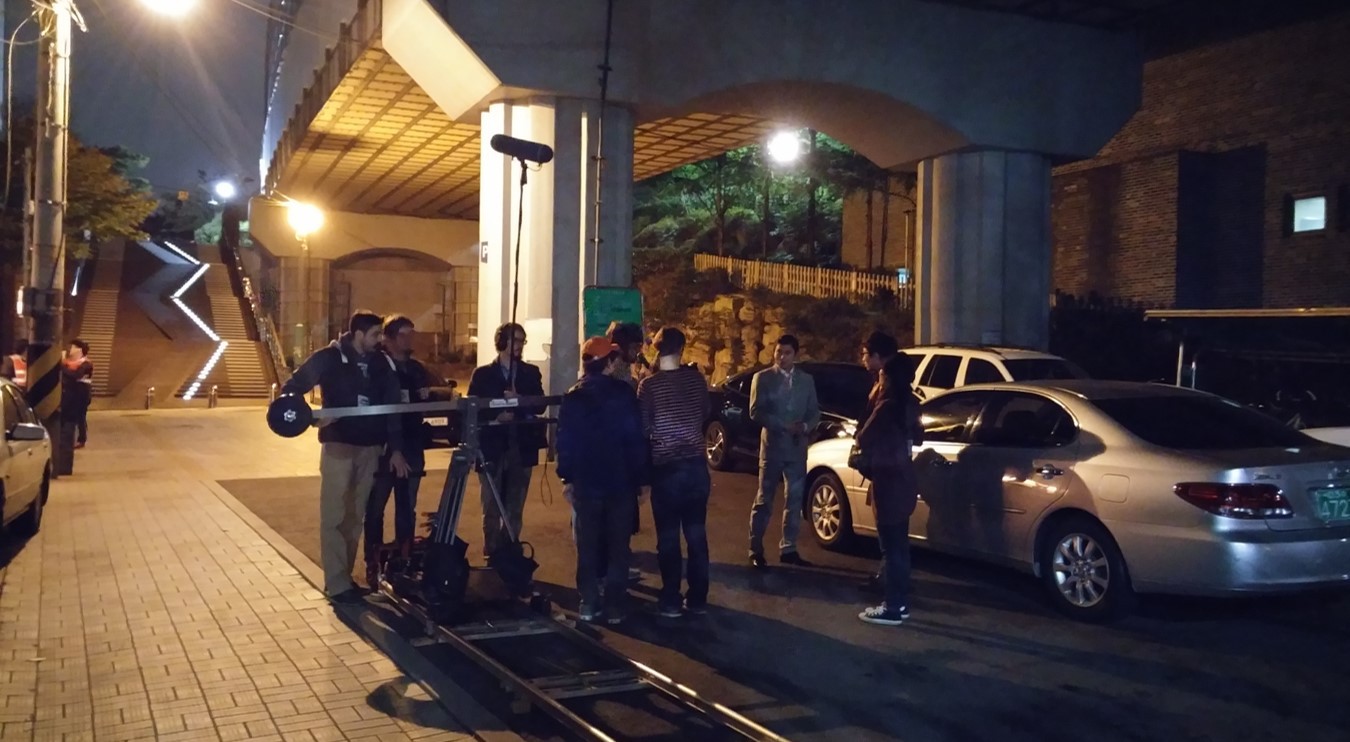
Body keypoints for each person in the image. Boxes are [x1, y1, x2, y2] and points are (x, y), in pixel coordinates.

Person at [282, 311, 410, 603]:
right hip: (338, 446)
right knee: (334, 515)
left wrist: (395, 448)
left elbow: (392, 407)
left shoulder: (381, 362)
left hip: (370, 448)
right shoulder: (328, 358)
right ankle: (337, 584)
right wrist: (312, 418)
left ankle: (345, 579)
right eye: (375, 334)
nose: (380, 339)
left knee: (354, 517)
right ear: (358, 334)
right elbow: (292, 388)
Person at [557, 336, 648, 624]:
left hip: (586, 483)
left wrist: (567, 477)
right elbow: (635, 440)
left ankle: (588, 602)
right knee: (618, 548)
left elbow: (565, 443)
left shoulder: (573, 396)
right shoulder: (623, 394)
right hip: (620, 482)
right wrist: (641, 479)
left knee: (587, 546)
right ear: (608, 363)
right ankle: (614, 606)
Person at [637, 327, 712, 617]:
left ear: (656, 349)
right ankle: (698, 598)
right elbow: (705, 413)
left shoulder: (649, 386)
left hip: (666, 469)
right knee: (696, 534)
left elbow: (644, 428)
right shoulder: (696, 380)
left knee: (668, 537)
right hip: (695, 466)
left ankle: (670, 598)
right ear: (681, 349)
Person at [363, 315, 441, 584]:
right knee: (375, 507)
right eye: (403, 335)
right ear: (388, 338)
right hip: (383, 447)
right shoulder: (378, 366)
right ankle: (373, 562)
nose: (409, 340)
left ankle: (402, 561)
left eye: (412, 334)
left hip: (412, 445)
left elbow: (426, 401)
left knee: (407, 506)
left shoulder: (417, 369)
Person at [852, 352, 924, 626]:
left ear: (888, 377)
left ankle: (892, 607)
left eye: (882, 374)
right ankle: (900, 603)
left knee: (890, 548)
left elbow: (863, 436)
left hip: (887, 481)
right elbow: (919, 437)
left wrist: (874, 400)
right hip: (905, 479)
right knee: (900, 546)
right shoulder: (912, 404)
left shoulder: (886, 405)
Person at [467, 323, 547, 561]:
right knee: (491, 505)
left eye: (523, 341)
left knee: (515, 505)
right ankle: (491, 550)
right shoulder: (482, 374)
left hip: (521, 446)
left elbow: (540, 405)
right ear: (501, 342)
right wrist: (496, 415)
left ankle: (510, 549)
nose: (520, 345)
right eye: (516, 340)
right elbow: (472, 409)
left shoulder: (530, 373)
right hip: (492, 447)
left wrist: (519, 400)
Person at [747, 334, 820, 568]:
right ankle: (755, 548)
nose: (781, 357)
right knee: (764, 498)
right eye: (779, 352)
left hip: (797, 448)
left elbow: (814, 411)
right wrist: (782, 425)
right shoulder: (763, 378)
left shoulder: (806, 380)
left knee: (795, 500)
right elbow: (755, 411)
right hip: (773, 448)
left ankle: (788, 547)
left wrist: (805, 426)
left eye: (787, 353)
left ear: (795, 355)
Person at [859, 330, 900, 591]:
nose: (862, 359)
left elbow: (872, 427)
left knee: (888, 526)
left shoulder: (889, 390)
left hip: (886, 465)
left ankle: (891, 586)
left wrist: (861, 438)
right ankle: (891, 577)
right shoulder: (897, 387)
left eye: (865, 354)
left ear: (878, 356)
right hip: (893, 464)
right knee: (893, 528)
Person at [61, 340, 94, 448]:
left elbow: (76, 375)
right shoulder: (70, 363)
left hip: (81, 395)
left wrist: (62, 366)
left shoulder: (86, 364)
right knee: (70, 416)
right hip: (71, 394)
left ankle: (81, 439)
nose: (70, 349)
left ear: (79, 350)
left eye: (73, 347)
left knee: (80, 416)